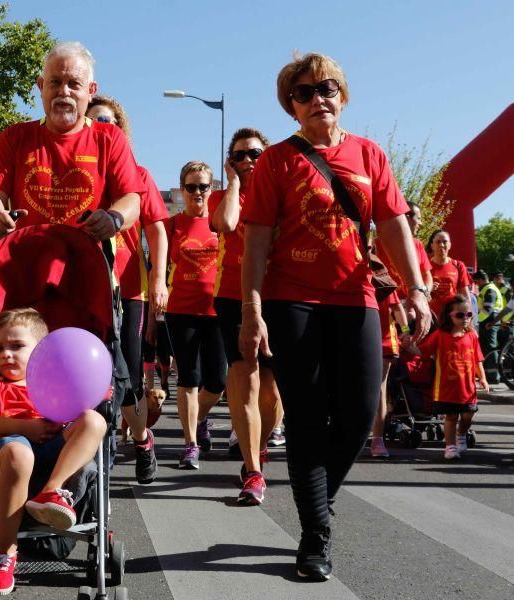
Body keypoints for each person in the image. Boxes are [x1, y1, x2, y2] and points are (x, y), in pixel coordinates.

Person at [239, 52, 431, 581]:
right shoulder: (277, 162)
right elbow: (255, 242)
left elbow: (393, 225)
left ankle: (318, 501)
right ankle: (315, 534)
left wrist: (416, 287)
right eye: (303, 92)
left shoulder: (370, 155)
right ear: (291, 107)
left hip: (356, 299)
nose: (317, 98)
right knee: (304, 419)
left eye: (326, 88)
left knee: (359, 411)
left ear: (342, 96)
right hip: (291, 300)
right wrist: (252, 311)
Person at [0, 308, 107, 596]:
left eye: (17, 346)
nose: (6, 354)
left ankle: (52, 490)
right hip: (8, 448)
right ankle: (4, 554)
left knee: (95, 421)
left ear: (44, 351)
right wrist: (24, 427)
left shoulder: (58, 379)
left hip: (55, 451)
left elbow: (95, 389)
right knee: (20, 453)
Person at [0, 41, 141, 242]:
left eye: (74, 83)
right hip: (26, 265)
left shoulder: (110, 138)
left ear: (91, 90)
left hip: (90, 266)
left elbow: (131, 199)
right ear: (41, 86)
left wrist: (113, 219)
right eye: (55, 82)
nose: (64, 91)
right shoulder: (14, 137)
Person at [87, 95, 168, 484]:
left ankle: (141, 438)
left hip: (129, 290)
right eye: (94, 121)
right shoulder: (76, 172)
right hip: (83, 287)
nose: (102, 127)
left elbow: (156, 229)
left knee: (129, 375)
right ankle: (94, 448)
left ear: (120, 128)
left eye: (108, 120)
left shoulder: (140, 174)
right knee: (88, 373)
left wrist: (159, 280)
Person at [209, 127, 283, 504]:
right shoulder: (223, 197)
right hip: (232, 299)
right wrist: (235, 183)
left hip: (279, 298)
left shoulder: (282, 195)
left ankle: (260, 443)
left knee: (273, 392)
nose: (248, 160)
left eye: (255, 153)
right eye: (239, 155)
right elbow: (227, 224)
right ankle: (252, 469)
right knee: (246, 382)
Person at [165, 161, 227, 470]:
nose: (197, 192)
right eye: (191, 187)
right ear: (181, 189)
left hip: (217, 310)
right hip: (181, 310)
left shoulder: (221, 223)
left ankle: (200, 418)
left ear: (212, 188)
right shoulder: (172, 224)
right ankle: (190, 444)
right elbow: (155, 265)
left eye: (203, 186)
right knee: (189, 377)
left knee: (217, 380)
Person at [416, 294, 489, 459]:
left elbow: (478, 360)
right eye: (460, 315)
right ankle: (450, 447)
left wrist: (483, 378)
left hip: (467, 388)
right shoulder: (440, 335)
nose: (465, 318)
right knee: (450, 417)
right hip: (446, 389)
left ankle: (461, 435)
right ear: (449, 316)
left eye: (469, 314)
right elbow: (423, 351)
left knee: (467, 417)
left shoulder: (472, 336)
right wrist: (409, 345)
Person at [369, 289, 409, 458]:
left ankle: (377, 439)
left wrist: (406, 331)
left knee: (379, 388)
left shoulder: (382, 281)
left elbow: (398, 308)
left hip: (384, 342)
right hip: (353, 338)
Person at [427, 229, 471, 319]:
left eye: (445, 242)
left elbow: (465, 295)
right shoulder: (424, 266)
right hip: (429, 317)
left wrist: (468, 316)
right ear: (432, 245)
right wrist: (428, 289)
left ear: (450, 245)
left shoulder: (458, 265)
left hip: (452, 318)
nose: (442, 245)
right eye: (438, 242)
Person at [473, 270, 503, 385]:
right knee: (486, 348)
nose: (476, 285)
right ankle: (488, 374)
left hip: (489, 322)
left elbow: (487, 310)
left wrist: (476, 321)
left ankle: (494, 376)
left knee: (490, 348)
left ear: (480, 280)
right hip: (489, 322)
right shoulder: (489, 288)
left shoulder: (489, 289)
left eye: (476, 282)